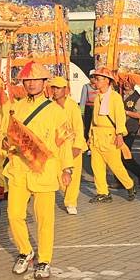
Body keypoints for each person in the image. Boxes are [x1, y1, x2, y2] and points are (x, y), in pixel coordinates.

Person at [3, 61, 73, 280]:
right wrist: (6, 143)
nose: (31, 84)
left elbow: (64, 142)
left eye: (36, 80)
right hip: (19, 169)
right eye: (28, 80)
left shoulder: (56, 111)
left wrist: (67, 168)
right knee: (14, 215)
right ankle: (25, 251)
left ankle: (44, 260)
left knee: (44, 219)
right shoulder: (16, 107)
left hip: (44, 170)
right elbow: (7, 135)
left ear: (45, 83)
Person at [87, 68, 136, 203]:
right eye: (95, 78)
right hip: (97, 135)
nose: (95, 81)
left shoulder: (115, 97)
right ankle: (103, 192)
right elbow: (93, 118)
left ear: (107, 81)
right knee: (96, 166)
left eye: (98, 79)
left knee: (115, 165)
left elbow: (120, 117)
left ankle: (129, 185)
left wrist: (119, 134)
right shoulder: (97, 97)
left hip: (110, 135)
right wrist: (90, 135)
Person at [48, 76, 88, 215]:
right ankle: (65, 193)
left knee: (74, 176)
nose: (55, 91)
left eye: (58, 88)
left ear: (65, 90)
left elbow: (78, 127)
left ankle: (71, 202)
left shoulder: (73, 107)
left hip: (72, 144)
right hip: (57, 146)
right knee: (59, 175)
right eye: (53, 88)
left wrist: (77, 146)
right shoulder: (49, 106)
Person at [114, 76, 140, 187]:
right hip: (117, 129)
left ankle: (139, 173)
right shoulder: (118, 95)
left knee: (125, 156)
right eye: (124, 81)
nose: (126, 83)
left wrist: (126, 112)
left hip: (130, 129)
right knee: (116, 156)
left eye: (129, 81)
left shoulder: (137, 98)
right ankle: (120, 181)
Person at [79, 70, 97, 141]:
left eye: (95, 77)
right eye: (92, 77)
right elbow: (82, 101)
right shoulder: (86, 86)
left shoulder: (100, 87)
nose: (94, 78)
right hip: (88, 109)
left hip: (97, 109)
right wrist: (82, 113)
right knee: (87, 127)